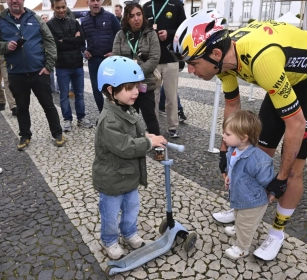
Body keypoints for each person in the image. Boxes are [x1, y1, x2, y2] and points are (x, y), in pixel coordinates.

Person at [170, 10, 307, 261]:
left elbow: (296, 124)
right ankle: (245, 208)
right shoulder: (223, 61)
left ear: (215, 54)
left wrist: (280, 178)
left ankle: (277, 233)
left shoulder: (261, 60)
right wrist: (224, 152)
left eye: (192, 63)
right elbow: (232, 107)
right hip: (282, 78)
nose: (190, 71)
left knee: (293, 171)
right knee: (257, 155)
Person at [93, 56, 167, 259]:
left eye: (137, 86)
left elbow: (133, 134)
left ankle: (129, 232)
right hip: (112, 178)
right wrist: (149, 143)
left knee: (131, 207)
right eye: (129, 88)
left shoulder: (127, 109)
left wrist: (146, 136)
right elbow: (124, 146)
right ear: (110, 90)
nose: (136, 92)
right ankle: (110, 240)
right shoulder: (108, 119)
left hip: (128, 175)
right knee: (110, 213)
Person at [0, 0, 65, 151]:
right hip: (16, 72)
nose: (14, 1)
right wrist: (4, 46)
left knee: (48, 105)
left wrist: (48, 66)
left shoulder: (34, 17)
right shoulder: (1, 20)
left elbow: (49, 41)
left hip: (38, 72)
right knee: (21, 107)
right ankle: (25, 135)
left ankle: (57, 133)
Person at [221, 110, 274, 260]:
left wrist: (272, 192)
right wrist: (229, 178)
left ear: (244, 138)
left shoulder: (258, 160)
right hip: (240, 196)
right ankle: (238, 228)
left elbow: (268, 180)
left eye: (227, 134)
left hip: (253, 201)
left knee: (246, 224)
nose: (223, 136)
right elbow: (233, 168)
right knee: (238, 214)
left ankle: (242, 248)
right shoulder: (233, 149)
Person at [112, 2, 161, 135]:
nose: (136, 18)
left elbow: (154, 58)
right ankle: (133, 145)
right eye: (132, 16)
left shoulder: (151, 34)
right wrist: (130, 74)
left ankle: (158, 147)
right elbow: (116, 58)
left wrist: (136, 72)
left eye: (139, 14)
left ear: (143, 16)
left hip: (145, 83)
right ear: (127, 18)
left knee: (150, 117)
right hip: (127, 85)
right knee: (129, 118)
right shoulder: (120, 35)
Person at [47, 0, 92, 132]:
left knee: (79, 94)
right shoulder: (50, 25)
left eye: (63, 7)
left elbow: (81, 40)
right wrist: (73, 40)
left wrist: (66, 40)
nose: (61, 10)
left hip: (77, 64)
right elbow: (56, 45)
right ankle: (67, 119)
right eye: (58, 8)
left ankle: (81, 117)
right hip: (62, 66)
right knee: (64, 95)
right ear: (53, 8)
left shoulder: (74, 22)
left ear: (66, 6)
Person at [143, 0, 186, 138]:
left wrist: (169, 33)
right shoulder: (147, 6)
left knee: (171, 96)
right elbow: (142, 31)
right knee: (152, 97)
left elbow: (183, 29)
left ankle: (173, 126)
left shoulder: (176, 5)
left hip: (170, 59)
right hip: (152, 60)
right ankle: (152, 126)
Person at [81, 0, 121, 113]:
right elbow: (80, 40)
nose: (95, 3)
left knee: (113, 88)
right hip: (93, 60)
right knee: (96, 89)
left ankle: (116, 114)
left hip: (109, 60)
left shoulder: (110, 17)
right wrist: (84, 50)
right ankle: (103, 114)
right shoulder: (84, 21)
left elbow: (121, 36)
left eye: (98, 0)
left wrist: (115, 52)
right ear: (87, 3)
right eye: (92, 0)